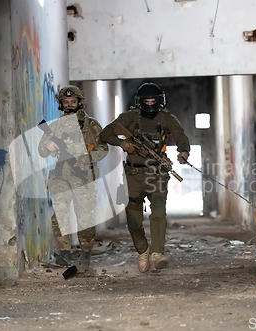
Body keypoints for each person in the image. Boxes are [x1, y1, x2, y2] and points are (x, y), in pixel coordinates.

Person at [99, 83, 190, 272]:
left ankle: (157, 253)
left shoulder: (166, 118)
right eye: (146, 101)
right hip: (133, 175)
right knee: (133, 218)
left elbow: (180, 135)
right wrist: (122, 143)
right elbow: (105, 134)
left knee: (158, 213)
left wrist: (183, 152)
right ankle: (143, 250)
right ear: (140, 102)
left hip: (157, 173)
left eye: (153, 101)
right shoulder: (129, 118)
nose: (150, 104)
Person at [38, 85, 108, 271]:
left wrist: (85, 159)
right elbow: (41, 150)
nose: (69, 105)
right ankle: (64, 253)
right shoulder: (54, 126)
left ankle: (85, 252)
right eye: (66, 102)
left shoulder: (91, 126)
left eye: (73, 101)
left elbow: (103, 149)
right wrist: (48, 146)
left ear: (79, 102)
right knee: (60, 215)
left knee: (84, 217)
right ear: (61, 104)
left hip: (84, 178)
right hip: (60, 178)